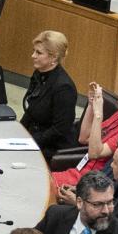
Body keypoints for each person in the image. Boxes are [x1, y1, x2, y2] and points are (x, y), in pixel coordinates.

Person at [20, 28, 80, 156]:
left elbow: (59, 130)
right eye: (34, 51)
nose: (33, 56)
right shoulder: (39, 74)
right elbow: (31, 110)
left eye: (39, 53)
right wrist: (17, 131)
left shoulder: (64, 88)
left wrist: (30, 142)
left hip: (53, 147)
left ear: (53, 57)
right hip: (36, 136)